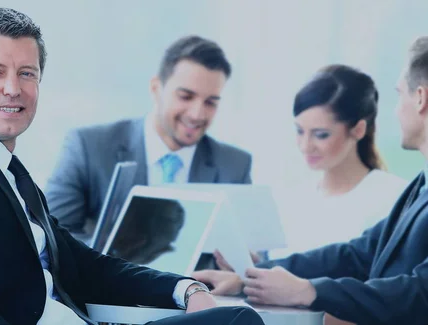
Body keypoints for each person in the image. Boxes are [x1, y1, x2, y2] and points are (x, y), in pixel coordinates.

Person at [0, 8, 263, 325]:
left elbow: (87, 266)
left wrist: (184, 288)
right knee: (238, 322)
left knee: (234, 317)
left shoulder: (12, 174)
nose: (13, 88)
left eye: (27, 73)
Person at [192, 38, 428, 325]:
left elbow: (420, 291)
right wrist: (253, 277)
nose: (395, 110)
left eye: (399, 94)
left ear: (420, 98)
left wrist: (309, 291)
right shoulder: (420, 184)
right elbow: (357, 254)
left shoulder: (392, 190)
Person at [45, 35, 252, 240]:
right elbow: (52, 238)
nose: (197, 114)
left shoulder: (234, 166)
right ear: (156, 89)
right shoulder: (88, 148)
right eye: (186, 97)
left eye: (211, 102)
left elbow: (253, 250)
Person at [268, 64, 408, 259]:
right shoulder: (291, 196)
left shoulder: (392, 197)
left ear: (358, 130)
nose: (305, 146)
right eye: (300, 131)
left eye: (321, 135)